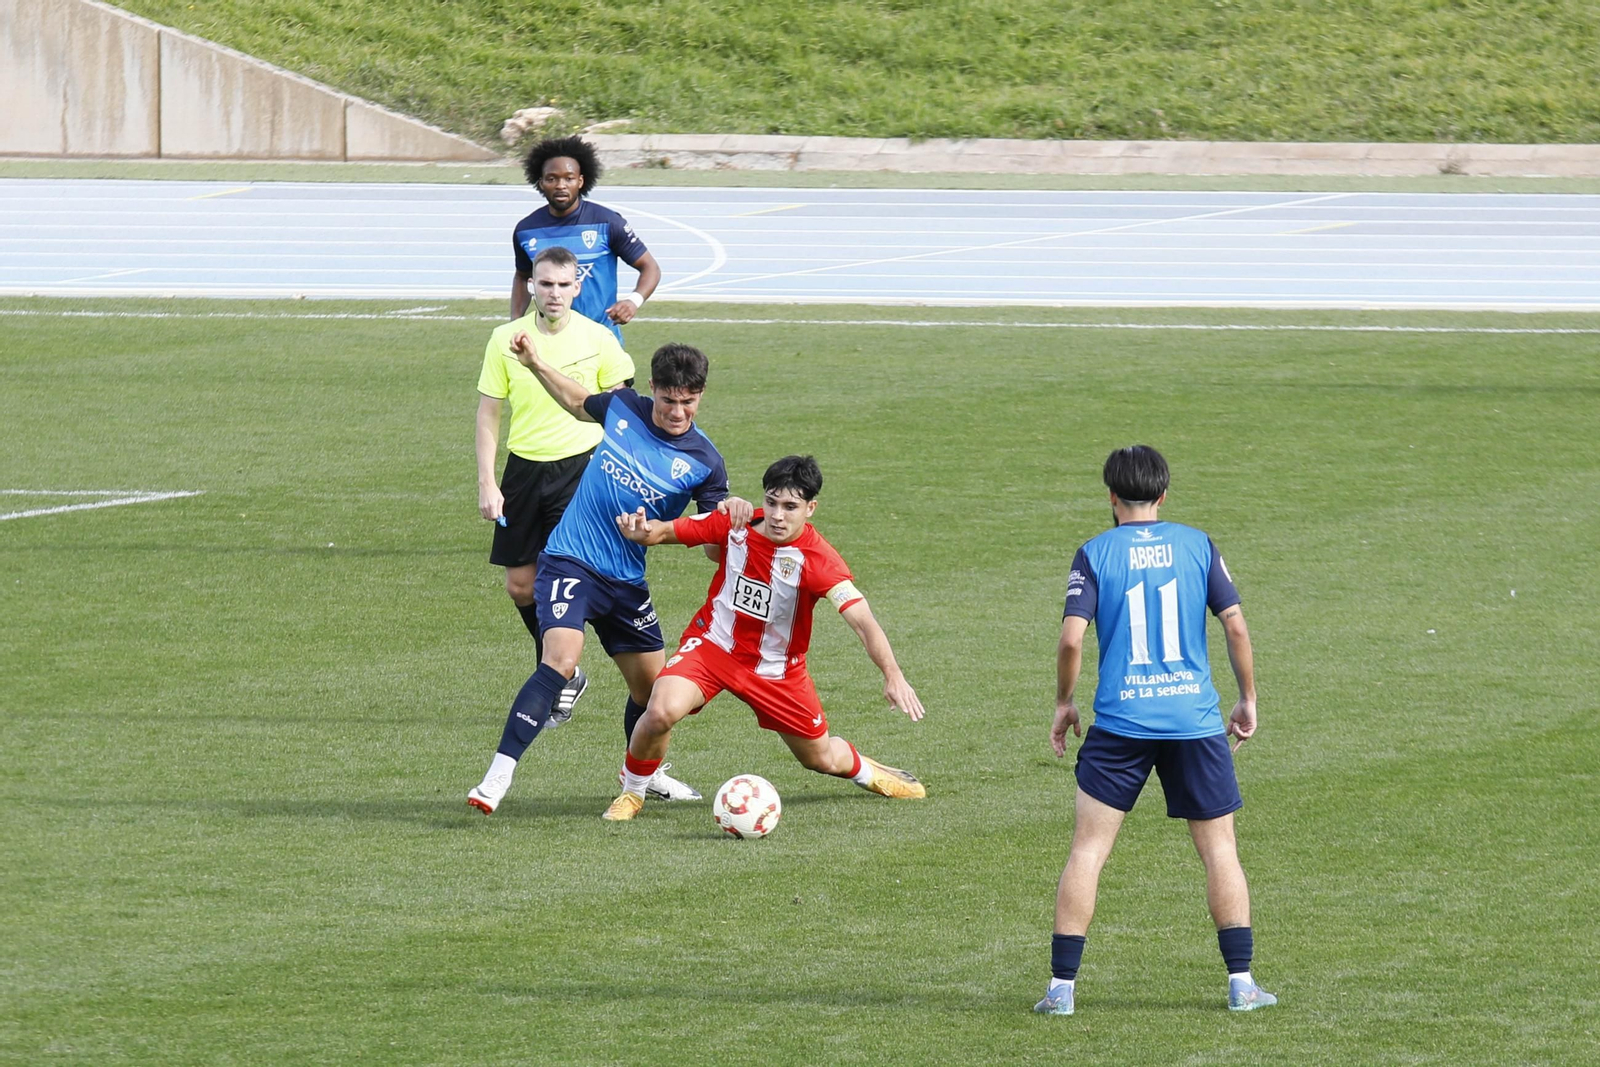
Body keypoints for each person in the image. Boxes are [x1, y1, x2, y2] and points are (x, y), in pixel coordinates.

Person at [1035, 445, 1276, 1016]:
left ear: (1111, 496)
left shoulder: (1094, 553)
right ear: (1164, 495)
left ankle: (1061, 992)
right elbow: (1236, 627)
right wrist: (1247, 697)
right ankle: (1241, 984)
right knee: (1220, 852)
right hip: (1193, 721)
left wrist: (1065, 702)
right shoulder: (1198, 545)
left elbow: (1072, 639)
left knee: (1089, 851)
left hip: (1120, 724)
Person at [467, 340, 747, 814]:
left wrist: (726, 518)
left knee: (654, 693)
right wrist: (535, 363)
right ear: (652, 388)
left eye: (689, 401)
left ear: (700, 396)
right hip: (570, 559)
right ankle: (496, 777)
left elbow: (713, 549)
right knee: (559, 659)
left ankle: (645, 775)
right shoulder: (623, 407)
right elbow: (577, 400)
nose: (678, 412)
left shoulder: (705, 462)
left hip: (626, 582)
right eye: (668, 399)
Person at [598, 455, 927, 822]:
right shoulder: (735, 521)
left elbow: (863, 621)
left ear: (810, 508)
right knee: (660, 711)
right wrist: (639, 530)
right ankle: (633, 793)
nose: (777, 515)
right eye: (771, 502)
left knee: (819, 758)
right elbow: (662, 532)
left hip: (777, 671)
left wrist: (892, 673)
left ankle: (869, 771)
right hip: (713, 647)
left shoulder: (819, 561)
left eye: (790, 507)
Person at [477, 245, 632, 723]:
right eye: (545, 284)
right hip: (523, 470)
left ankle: (561, 670)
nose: (555, 293)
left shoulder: (601, 338)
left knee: (571, 579)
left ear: (578, 287)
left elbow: (623, 413)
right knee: (521, 586)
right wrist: (487, 481)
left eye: (564, 285)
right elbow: (488, 414)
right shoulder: (505, 338)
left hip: (581, 470)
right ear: (532, 286)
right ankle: (565, 671)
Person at [510, 135, 661, 338]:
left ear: (580, 181)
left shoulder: (608, 223)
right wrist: (515, 322)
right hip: (549, 341)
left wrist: (633, 301)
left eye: (568, 178)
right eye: (552, 178)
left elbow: (650, 267)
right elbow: (522, 277)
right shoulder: (526, 231)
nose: (560, 185)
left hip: (602, 340)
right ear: (541, 183)